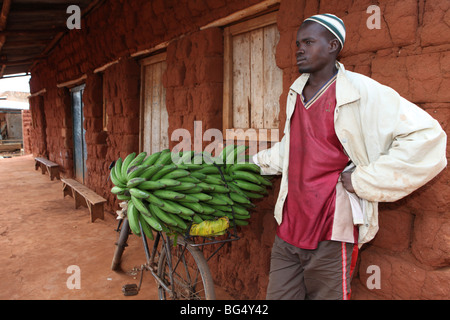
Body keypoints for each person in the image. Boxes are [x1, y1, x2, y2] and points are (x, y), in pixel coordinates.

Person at [253, 13, 447, 300]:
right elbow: (294, 148)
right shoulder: (296, 92)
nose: (299, 49)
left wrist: (363, 180)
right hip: (289, 228)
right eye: (297, 43)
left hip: (330, 230)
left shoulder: (361, 91)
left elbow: (428, 136)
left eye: (308, 42)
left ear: (333, 46)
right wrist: (252, 163)